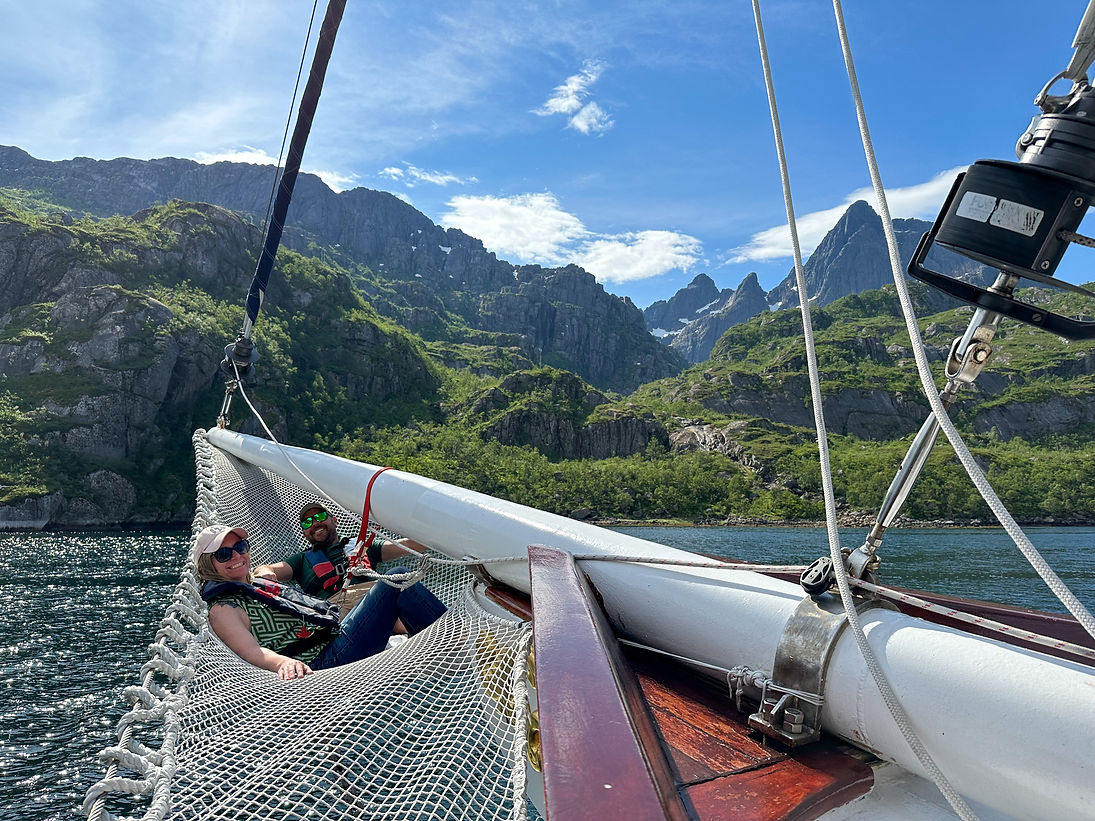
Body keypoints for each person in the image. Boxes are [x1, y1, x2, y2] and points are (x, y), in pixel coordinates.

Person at [193, 524, 447, 680]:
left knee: (396, 578)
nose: (236, 556)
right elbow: (250, 652)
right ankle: (457, 641)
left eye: (240, 546)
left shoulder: (253, 584)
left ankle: (444, 642)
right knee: (396, 580)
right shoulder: (223, 608)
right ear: (209, 564)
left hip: (335, 637)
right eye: (224, 554)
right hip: (326, 661)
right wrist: (284, 663)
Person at [252, 503, 426, 599]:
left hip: (375, 596)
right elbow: (266, 569)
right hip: (337, 610)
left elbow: (407, 545)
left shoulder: (361, 545)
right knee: (400, 578)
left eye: (319, 517)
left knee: (402, 579)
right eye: (307, 523)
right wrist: (265, 573)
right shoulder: (301, 560)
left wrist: (435, 536)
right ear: (305, 534)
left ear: (334, 520)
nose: (314, 523)